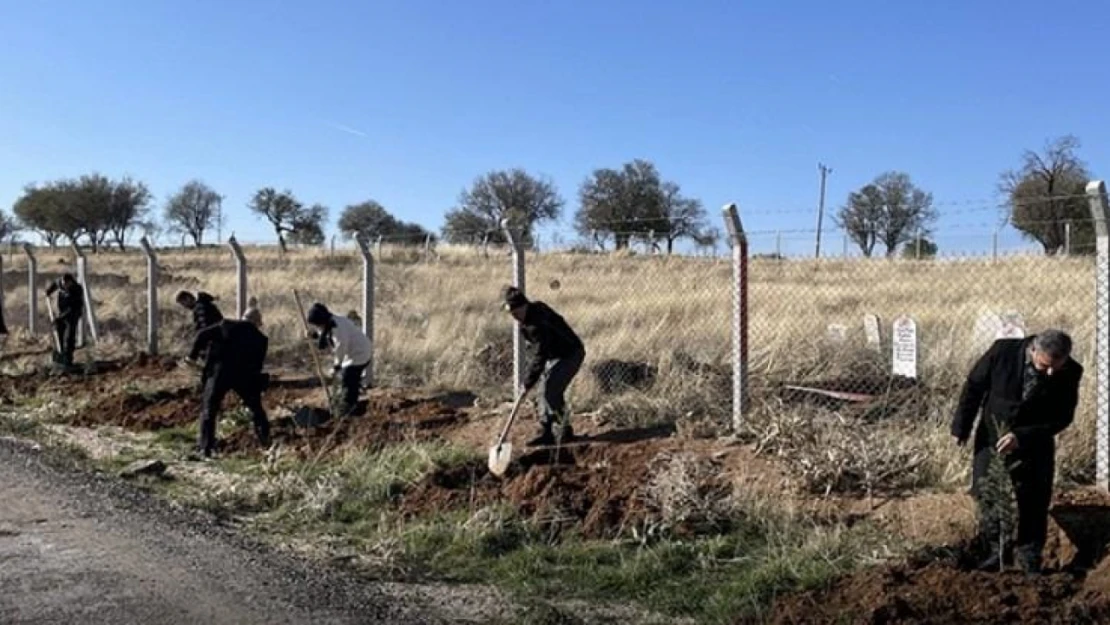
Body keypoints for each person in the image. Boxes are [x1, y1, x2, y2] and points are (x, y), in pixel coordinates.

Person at [951, 329, 1083, 574]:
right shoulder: (1002, 352)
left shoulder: (1071, 372)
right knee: (986, 491)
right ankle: (994, 551)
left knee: (1034, 498)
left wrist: (1022, 436)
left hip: (1035, 442)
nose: (1051, 373)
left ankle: (1029, 555)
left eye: (1057, 367)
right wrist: (962, 426)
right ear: (1033, 350)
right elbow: (974, 387)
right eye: (1045, 366)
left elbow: (1062, 416)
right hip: (992, 435)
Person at [502, 285, 585, 446]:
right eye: (511, 313)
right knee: (542, 392)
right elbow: (539, 354)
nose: (514, 317)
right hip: (555, 355)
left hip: (571, 354)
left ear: (524, 306)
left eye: (516, 312)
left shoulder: (536, 324)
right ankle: (546, 432)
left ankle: (565, 430)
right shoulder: (532, 313)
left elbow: (540, 355)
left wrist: (527, 382)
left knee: (551, 391)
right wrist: (530, 381)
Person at [184, 313, 271, 459]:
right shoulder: (261, 340)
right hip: (244, 376)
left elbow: (201, 335)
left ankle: (206, 448)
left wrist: (192, 357)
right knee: (256, 409)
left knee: (209, 409)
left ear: (243, 317)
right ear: (258, 323)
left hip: (220, 373)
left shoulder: (226, 325)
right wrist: (257, 386)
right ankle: (265, 442)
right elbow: (257, 366)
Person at [306, 302, 372, 417]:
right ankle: (344, 404)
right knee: (347, 379)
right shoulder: (328, 324)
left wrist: (337, 366)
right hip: (351, 355)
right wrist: (313, 335)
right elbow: (323, 333)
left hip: (360, 354)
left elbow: (341, 347)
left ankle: (349, 409)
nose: (317, 327)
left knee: (348, 378)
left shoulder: (338, 327)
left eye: (317, 324)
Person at [45, 273, 84, 367]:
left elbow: (72, 308)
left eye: (67, 285)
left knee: (69, 336)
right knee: (58, 332)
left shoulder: (77, 290)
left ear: (71, 283)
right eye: (63, 285)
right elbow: (54, 284)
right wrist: (48, 292)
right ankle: (59, 355)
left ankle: (68, 358)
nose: (65, 287)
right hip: (62, 311)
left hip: (73, 313)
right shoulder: (60, 282)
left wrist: (59, 318)